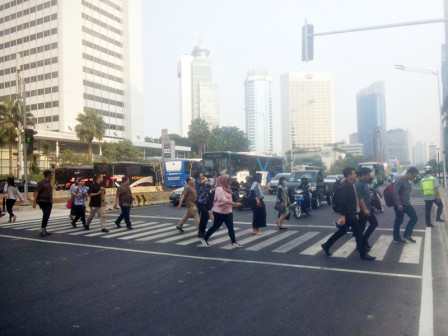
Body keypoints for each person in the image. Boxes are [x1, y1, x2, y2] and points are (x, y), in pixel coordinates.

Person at [321, 167, 376, 261]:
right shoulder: (346, 186)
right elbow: (343, 202)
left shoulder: (350, 184)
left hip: (351, 213)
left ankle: (326, 245)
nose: (355, 175)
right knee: (358, 233)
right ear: (349, 175)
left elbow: (352, 201)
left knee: (342, 231)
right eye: (354, 174)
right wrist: (343, 216)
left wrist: (356, 212)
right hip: (348, 213)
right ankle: (363, 254)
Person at [200, 174, 242, 247]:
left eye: (229, 179)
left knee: (230, 227)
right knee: (216, 226)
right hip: (219, 211)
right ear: (223, 180)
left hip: (228, 211)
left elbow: (230, 197)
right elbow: (222, 199)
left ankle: (233, 242)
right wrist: (234, 203)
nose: (229, 181)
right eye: (227, 180)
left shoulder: (227, 188)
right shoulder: (219, 188)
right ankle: (204, 239)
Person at [392, 167, 419, 243]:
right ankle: (396, 238)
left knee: (414, 217)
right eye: (413, 176)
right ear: (409, 173)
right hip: (400, 204)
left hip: (407, 204)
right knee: (399, 221)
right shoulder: (400, 180)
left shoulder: (407, 181)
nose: (413, 178)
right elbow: (395, 192)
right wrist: (399, 204)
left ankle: (407, 235)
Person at [355, 167, 378, 250]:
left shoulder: (365, 183)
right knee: (362, 227)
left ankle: (363, 241)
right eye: (368, 175)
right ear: (362, 175)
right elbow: (360, 198)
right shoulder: (358, 184)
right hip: (363, 210)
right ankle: (360, 245)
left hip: (368, 208)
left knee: (370, 224)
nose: (369, 177)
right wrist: (365, 209)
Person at [33, 170, 54, 237]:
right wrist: (34, 202)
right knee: (46, 213)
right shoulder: (41, 183)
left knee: (47, 215)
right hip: (42, 200)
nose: (52, 176)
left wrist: (52, 199)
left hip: (49, 201)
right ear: (48, 175)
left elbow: (51, 192)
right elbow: (36, 192)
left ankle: (44, 228)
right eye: (51, 174)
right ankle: (43, 229)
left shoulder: (49, 183)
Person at [195, 172, 213, 238]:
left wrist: (215, 179)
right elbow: (201, 182)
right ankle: (200, 232)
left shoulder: (205, 184)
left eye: (203, 176)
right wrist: (206, 179)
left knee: (206, 217)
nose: (203, 176)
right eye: (201, 176)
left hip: (206, 202)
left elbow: (211, 186)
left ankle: (202, 231)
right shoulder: (197, 182)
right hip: (200, 202)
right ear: (198, 178)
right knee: (205, 215)